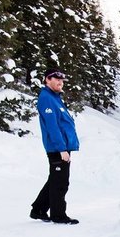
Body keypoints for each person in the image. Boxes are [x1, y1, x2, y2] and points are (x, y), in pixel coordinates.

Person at [31, 67, 80, 224]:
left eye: (61, 80)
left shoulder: (55, 98)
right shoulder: (46, 98)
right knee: (60, 182)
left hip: (62, 147)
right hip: (57, 148)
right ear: (47, 80)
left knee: (55, 179)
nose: (60, 82)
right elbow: (52, 126)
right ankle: (58, 215)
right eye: (56, 79)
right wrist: (61, 149)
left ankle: (38, 210)